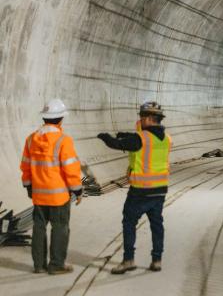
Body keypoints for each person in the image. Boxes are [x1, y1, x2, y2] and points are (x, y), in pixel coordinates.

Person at [97, 101, 171, 274]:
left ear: (148, 118)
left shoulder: (140, 138)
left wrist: (106, 137)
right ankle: (157, 260)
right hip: (160, 189)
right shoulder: (167, 138)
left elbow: (119, 144)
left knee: (129, 222)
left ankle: (128, 260)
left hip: (140, 191)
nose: (140, 119)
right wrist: (127, 135)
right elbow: (145, 140)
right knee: (157, 224)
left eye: (141, 116)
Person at [20, 99, 83, 275]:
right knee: (60, 228)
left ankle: (39, 265)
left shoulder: (31, 139)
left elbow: (25, 166)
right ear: (61, 118)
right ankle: (56, 265)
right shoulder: (64, 140)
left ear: (45, 118)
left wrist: (28, 186)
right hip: (59, 196)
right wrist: (77, 190)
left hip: (39, 195)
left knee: (39, 227)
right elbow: (71, 168)